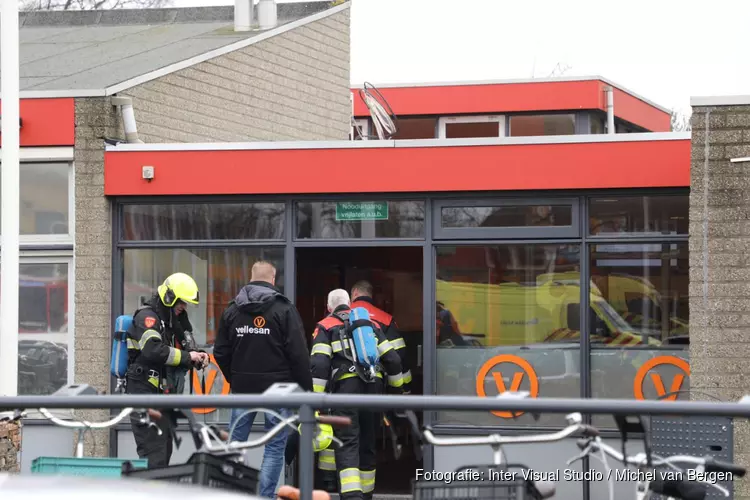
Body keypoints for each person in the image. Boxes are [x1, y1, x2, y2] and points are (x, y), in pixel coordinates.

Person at [214, 260, 313, 499]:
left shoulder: (232, 310)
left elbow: (220, 352)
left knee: (236, 445)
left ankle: (234, 494)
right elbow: (298, 355)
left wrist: (235, 378)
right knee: (275, 447)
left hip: (243, 389)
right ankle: (265, 496)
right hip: (278, 391)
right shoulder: (284, 310)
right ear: (273, 279)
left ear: (250, 277)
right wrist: (306, 392)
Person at [310, 289, 404, 500]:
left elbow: (319, 364)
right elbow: (394, 360)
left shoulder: (325, 327)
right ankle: (367, 495)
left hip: (346, 394)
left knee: (348, 443)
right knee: (368, 444)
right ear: (349, 305)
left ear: (328, 308)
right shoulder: (372, 326)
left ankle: (352, 497)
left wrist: (315, 400)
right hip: (373, 392)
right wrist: (398, 393)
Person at [126, 272, 209, 468]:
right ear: (170, 297)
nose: (184, 306)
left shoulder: (172, 321)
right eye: (181, 302)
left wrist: (197, 356)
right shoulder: (148, 318)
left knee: (164, 452)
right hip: (144, 394)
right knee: (153, 455)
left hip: (161, 399)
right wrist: (189, 357)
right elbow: (153, 350)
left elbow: (182, 348)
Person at [350, 280, 412, 394]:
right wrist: (404, 388)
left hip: (345, 383)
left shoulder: (336, 318)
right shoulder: (386, 319)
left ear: (355, 292)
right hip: (376, 381)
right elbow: (399, 354)